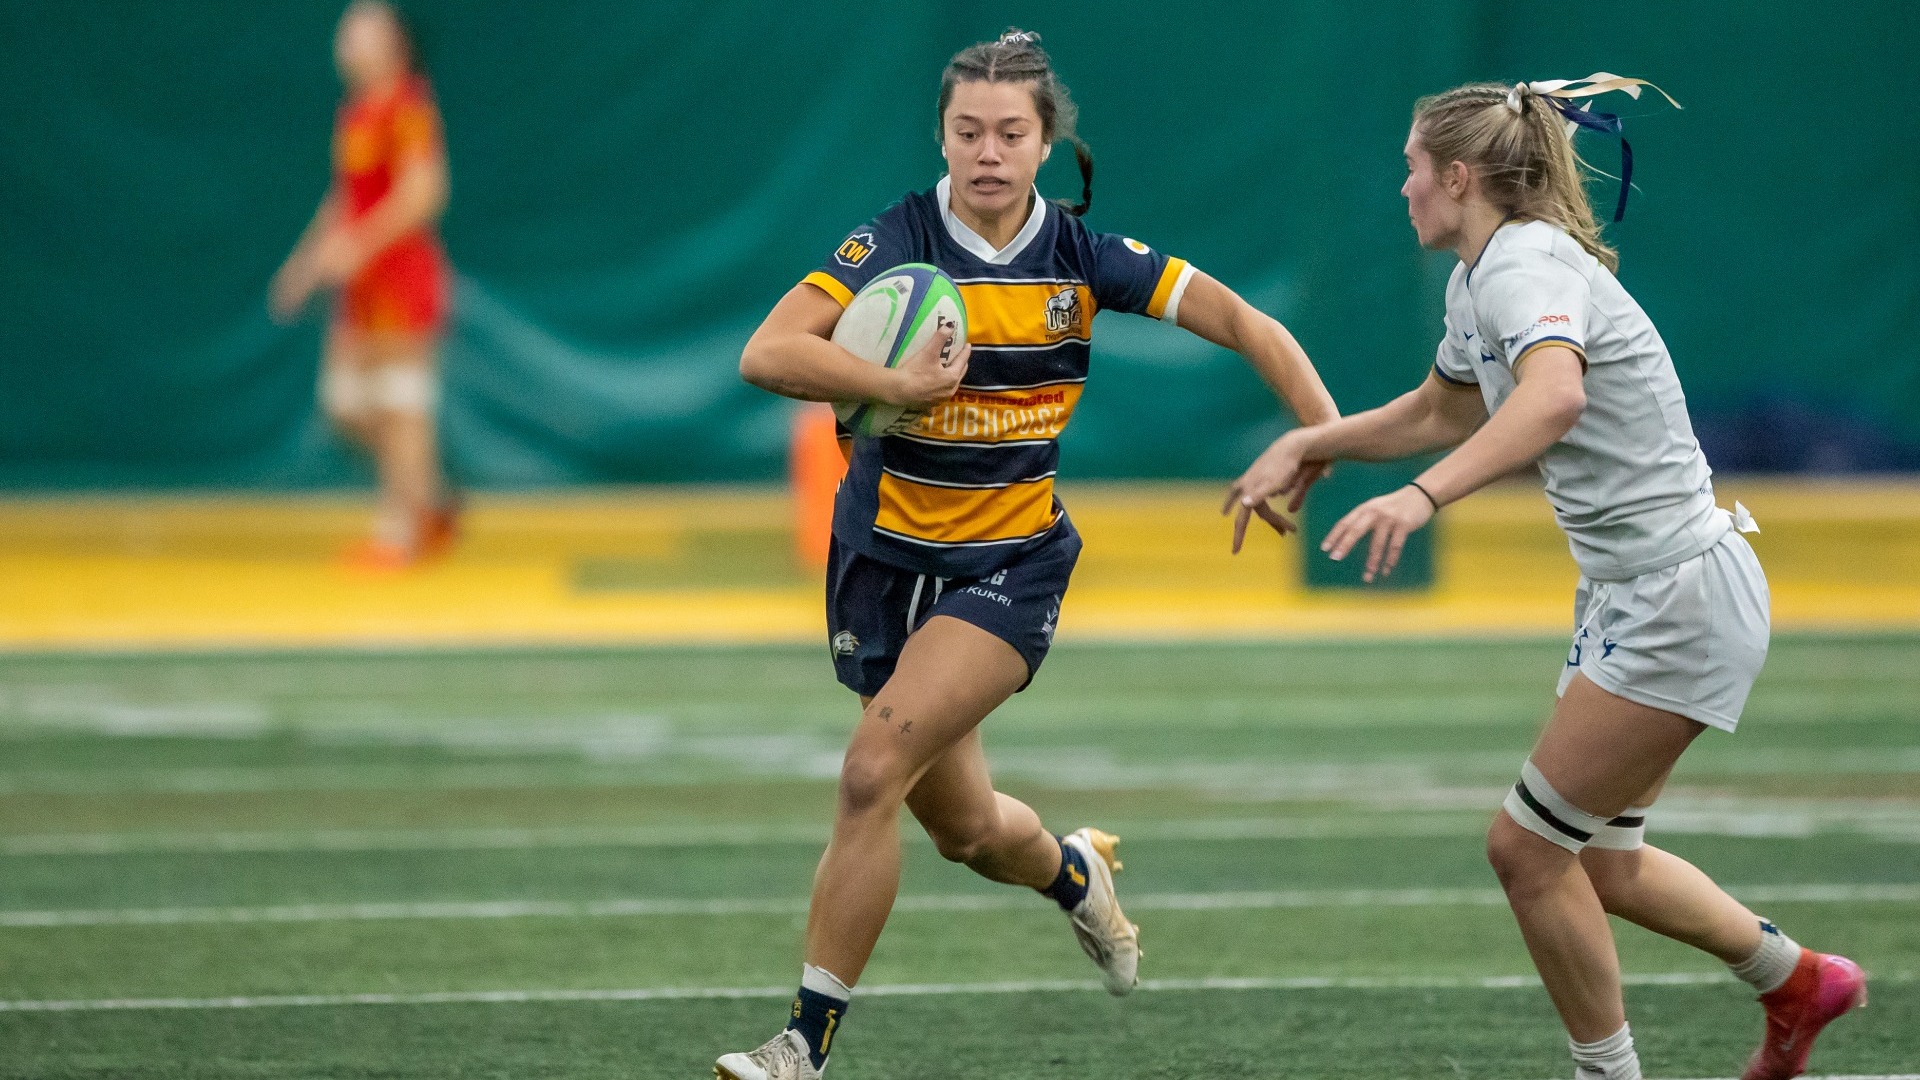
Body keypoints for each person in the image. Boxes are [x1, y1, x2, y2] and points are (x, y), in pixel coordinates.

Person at [721, 29, 1338, 1080]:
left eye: (1011, 132)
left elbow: (1243, 319)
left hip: (1008, 571)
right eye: (968, 131)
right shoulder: (896, 241)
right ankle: (1073, 873)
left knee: (870, 774)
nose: (988, 152)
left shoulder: (1083, 258)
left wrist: (1319, 437)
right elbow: (766, 352)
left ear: (1047, 142)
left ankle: (799, 1049)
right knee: (966, 831)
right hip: (882, 565)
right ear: (943, 137)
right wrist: (903, 387)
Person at [1225, 75, 1866, 1080]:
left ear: (1458, 175)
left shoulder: (1523, 261)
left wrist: (1422, 500)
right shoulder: (1483, 276)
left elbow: (1552, 397)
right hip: (1641, 591)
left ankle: (1607, 1075)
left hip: (1677, 595)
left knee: (1526, 852)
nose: (1401, 190)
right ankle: (1798, 982)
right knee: (1601, 862)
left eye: (1410, 170)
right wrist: (1316, 443)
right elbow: (1441, 411)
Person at [270, 0, 456, 569]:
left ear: (394, 43)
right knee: (345, 408)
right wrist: (306, 265)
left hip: (401, 282)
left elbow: (425, 191)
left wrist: (361, 245)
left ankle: (400, 530)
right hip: (359, 289)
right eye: (346, 28)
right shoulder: (354, 113)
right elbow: (343, 200)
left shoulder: (409, 105)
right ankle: (430, 500)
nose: (346, 38)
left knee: (399, 406)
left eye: (363, 28)